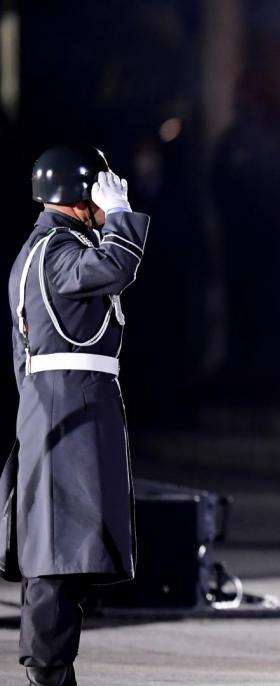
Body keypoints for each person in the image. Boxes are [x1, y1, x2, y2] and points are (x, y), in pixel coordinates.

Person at [6, 145, 149, 686]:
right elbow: (114, 268)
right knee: (55, 550)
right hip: (69, 409)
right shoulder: (56, 251)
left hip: (60, 406)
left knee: (67, 546)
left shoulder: (38, 249)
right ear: (81, 193)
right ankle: (46, 671)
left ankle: (51, 667)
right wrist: (120, 219)